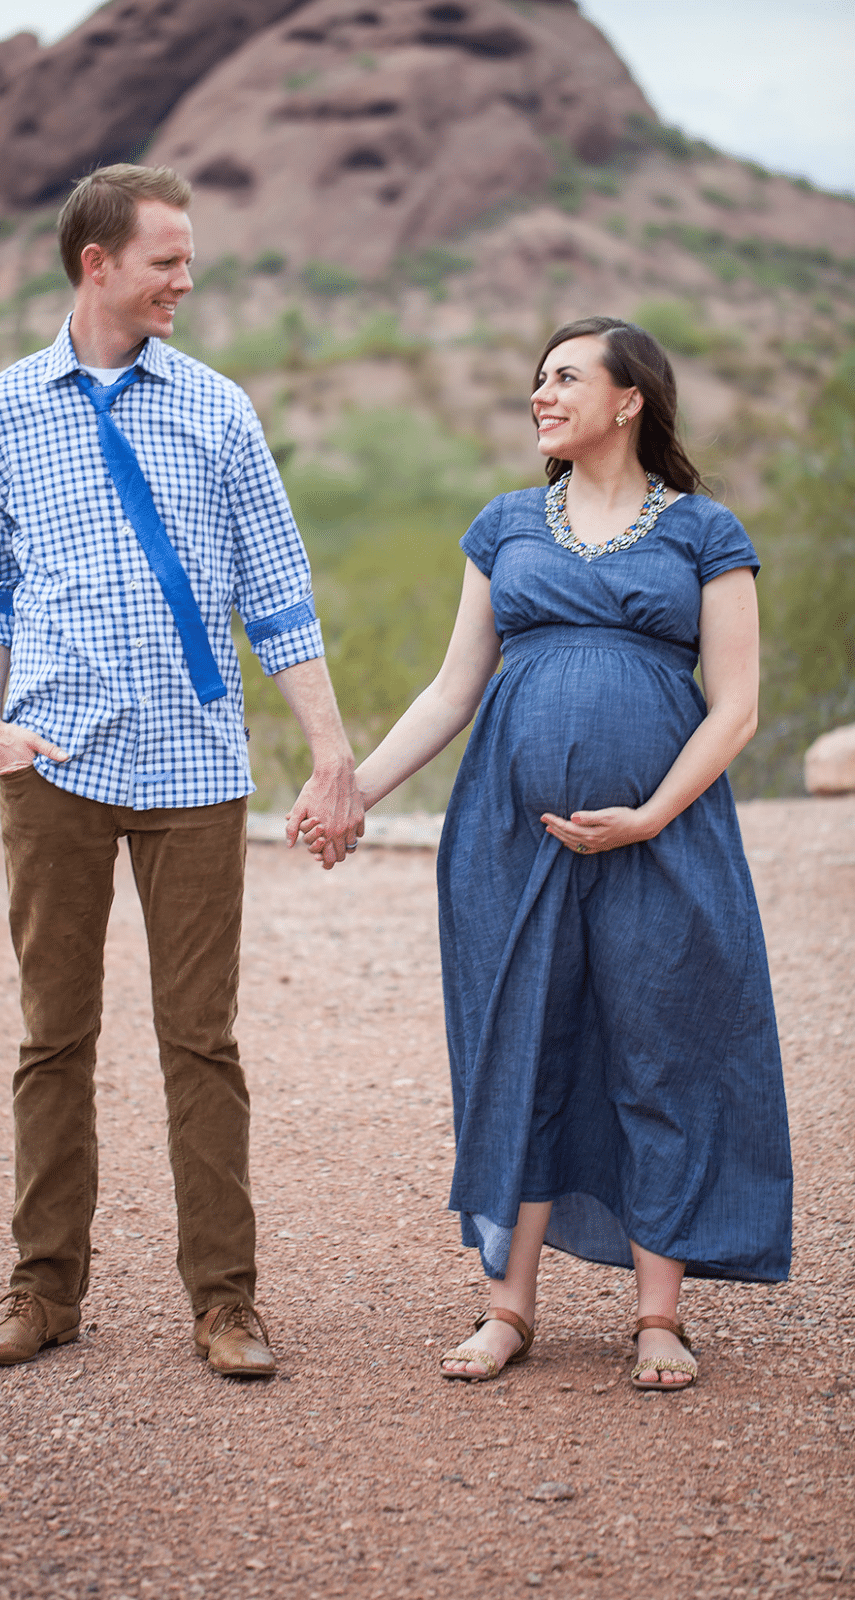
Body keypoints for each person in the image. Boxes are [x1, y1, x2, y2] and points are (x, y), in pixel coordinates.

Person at [294, 316, 792, 1390]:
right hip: (506, 839)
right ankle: (507, 1307)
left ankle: (656, 1316)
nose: (541, 394)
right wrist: (355, 791)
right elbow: (449, 690)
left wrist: (650, 812)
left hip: (664, 836)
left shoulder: (704, 532)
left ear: (629, 401)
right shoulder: (506, 524)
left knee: (660, 1044)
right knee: (521, 1045)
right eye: (536, 379)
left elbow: (736, 706)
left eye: (565, 377)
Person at [0, 163, 364, 1377]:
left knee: (201, 1040)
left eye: (187, 257)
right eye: (167, 259)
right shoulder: (3, 408)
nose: (187, 277)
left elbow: (279, 596)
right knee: (51, 1037)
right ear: (98, 264)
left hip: (193, 770)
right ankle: (42, 1291)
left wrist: (329, 755)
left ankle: (225, 1303)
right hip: (52, 761)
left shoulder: (220, 410)